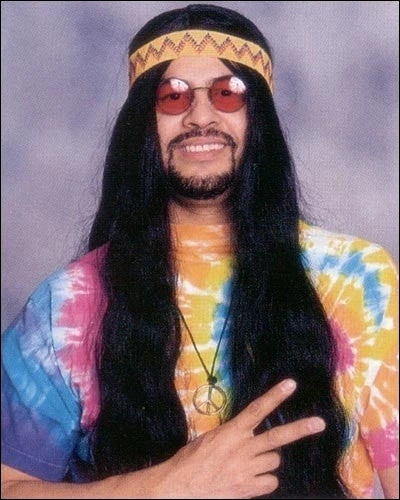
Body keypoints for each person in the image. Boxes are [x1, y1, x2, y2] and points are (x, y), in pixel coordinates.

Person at [1, 3, 398, 499]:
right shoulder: (68, 305)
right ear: (143, 125)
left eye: (228, 93)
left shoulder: (358, 280)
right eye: (173, 96)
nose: (201, 116)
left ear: (259, 120)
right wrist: (164, 486)